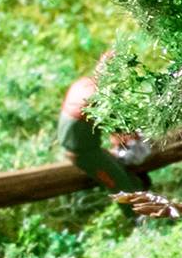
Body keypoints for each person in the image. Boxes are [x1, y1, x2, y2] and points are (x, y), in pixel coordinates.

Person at [57, 59, 153, 194]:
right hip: (83, 153)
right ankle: (137, 214)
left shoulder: (84, 83)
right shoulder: (99, 97)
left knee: (127, 179)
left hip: (84, 148)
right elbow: (121, 132)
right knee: (123, 187)